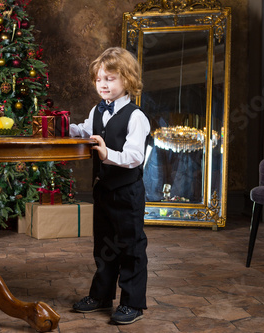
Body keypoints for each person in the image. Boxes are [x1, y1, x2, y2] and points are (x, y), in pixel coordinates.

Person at [70, 47, 149, 325]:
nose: (103, 84)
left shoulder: (136, 116)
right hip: (103, 190)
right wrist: (65, 127)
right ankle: (101, 295)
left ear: (127, 80)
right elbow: (85, 128)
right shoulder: (97, 109)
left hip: (127, 192)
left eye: (111, 78)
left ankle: (132, 303)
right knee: (103, 246)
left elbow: (135, 156)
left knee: (131, 247)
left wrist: (106, 154)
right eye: (99, 79)